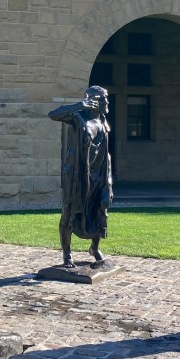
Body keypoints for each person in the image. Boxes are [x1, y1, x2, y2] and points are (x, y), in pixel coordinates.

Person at [48, 86, 113, 268]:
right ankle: (67, 254)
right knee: (68, 212)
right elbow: (53, 114)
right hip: (76, 176)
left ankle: (94, 248)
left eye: (106, 99)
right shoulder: (78, 118)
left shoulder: (104, 122)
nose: (106, 103)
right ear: (92, 101)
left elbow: (106, 155)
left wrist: (108, 183)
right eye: (102, 99)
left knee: (100, 210)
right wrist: (79, 105)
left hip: (98, 175)